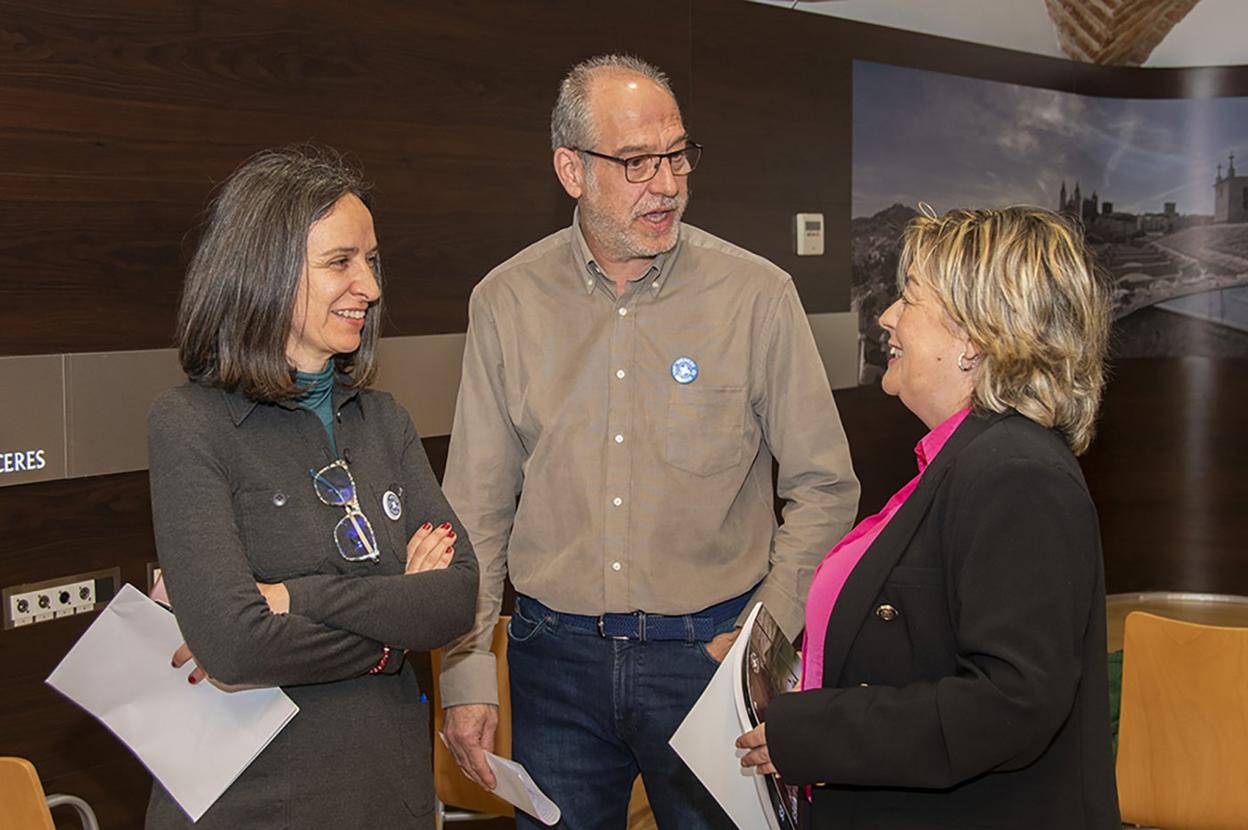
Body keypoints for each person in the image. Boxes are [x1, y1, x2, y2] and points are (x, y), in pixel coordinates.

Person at [438, 54, 859, 829]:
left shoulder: (757, 296)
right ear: (571, 169)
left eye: (676, 156)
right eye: (635, 162)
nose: (666, 183)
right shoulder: (505, 301)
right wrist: (466, 674)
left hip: (709, 662)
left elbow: (826, 486)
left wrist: (765, 637)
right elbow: (477, 507)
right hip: (550, 663)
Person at [737, 206, 1121, 829]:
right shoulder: (964, 458)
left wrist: (819, 733)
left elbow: (1010, 702)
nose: (887, 316)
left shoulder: (1016, 475)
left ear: (975, 338)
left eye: (909, 299)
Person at [145, 146, 479, 829]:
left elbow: (456, 598)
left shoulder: (384, 421)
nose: (371, 286)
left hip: (388, 796)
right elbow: (233, 646)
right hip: (256, 805)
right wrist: (392, 640)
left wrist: (297, 597)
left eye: (372, 260)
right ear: (263, 271)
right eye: (340, 262)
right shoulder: (191, 423)